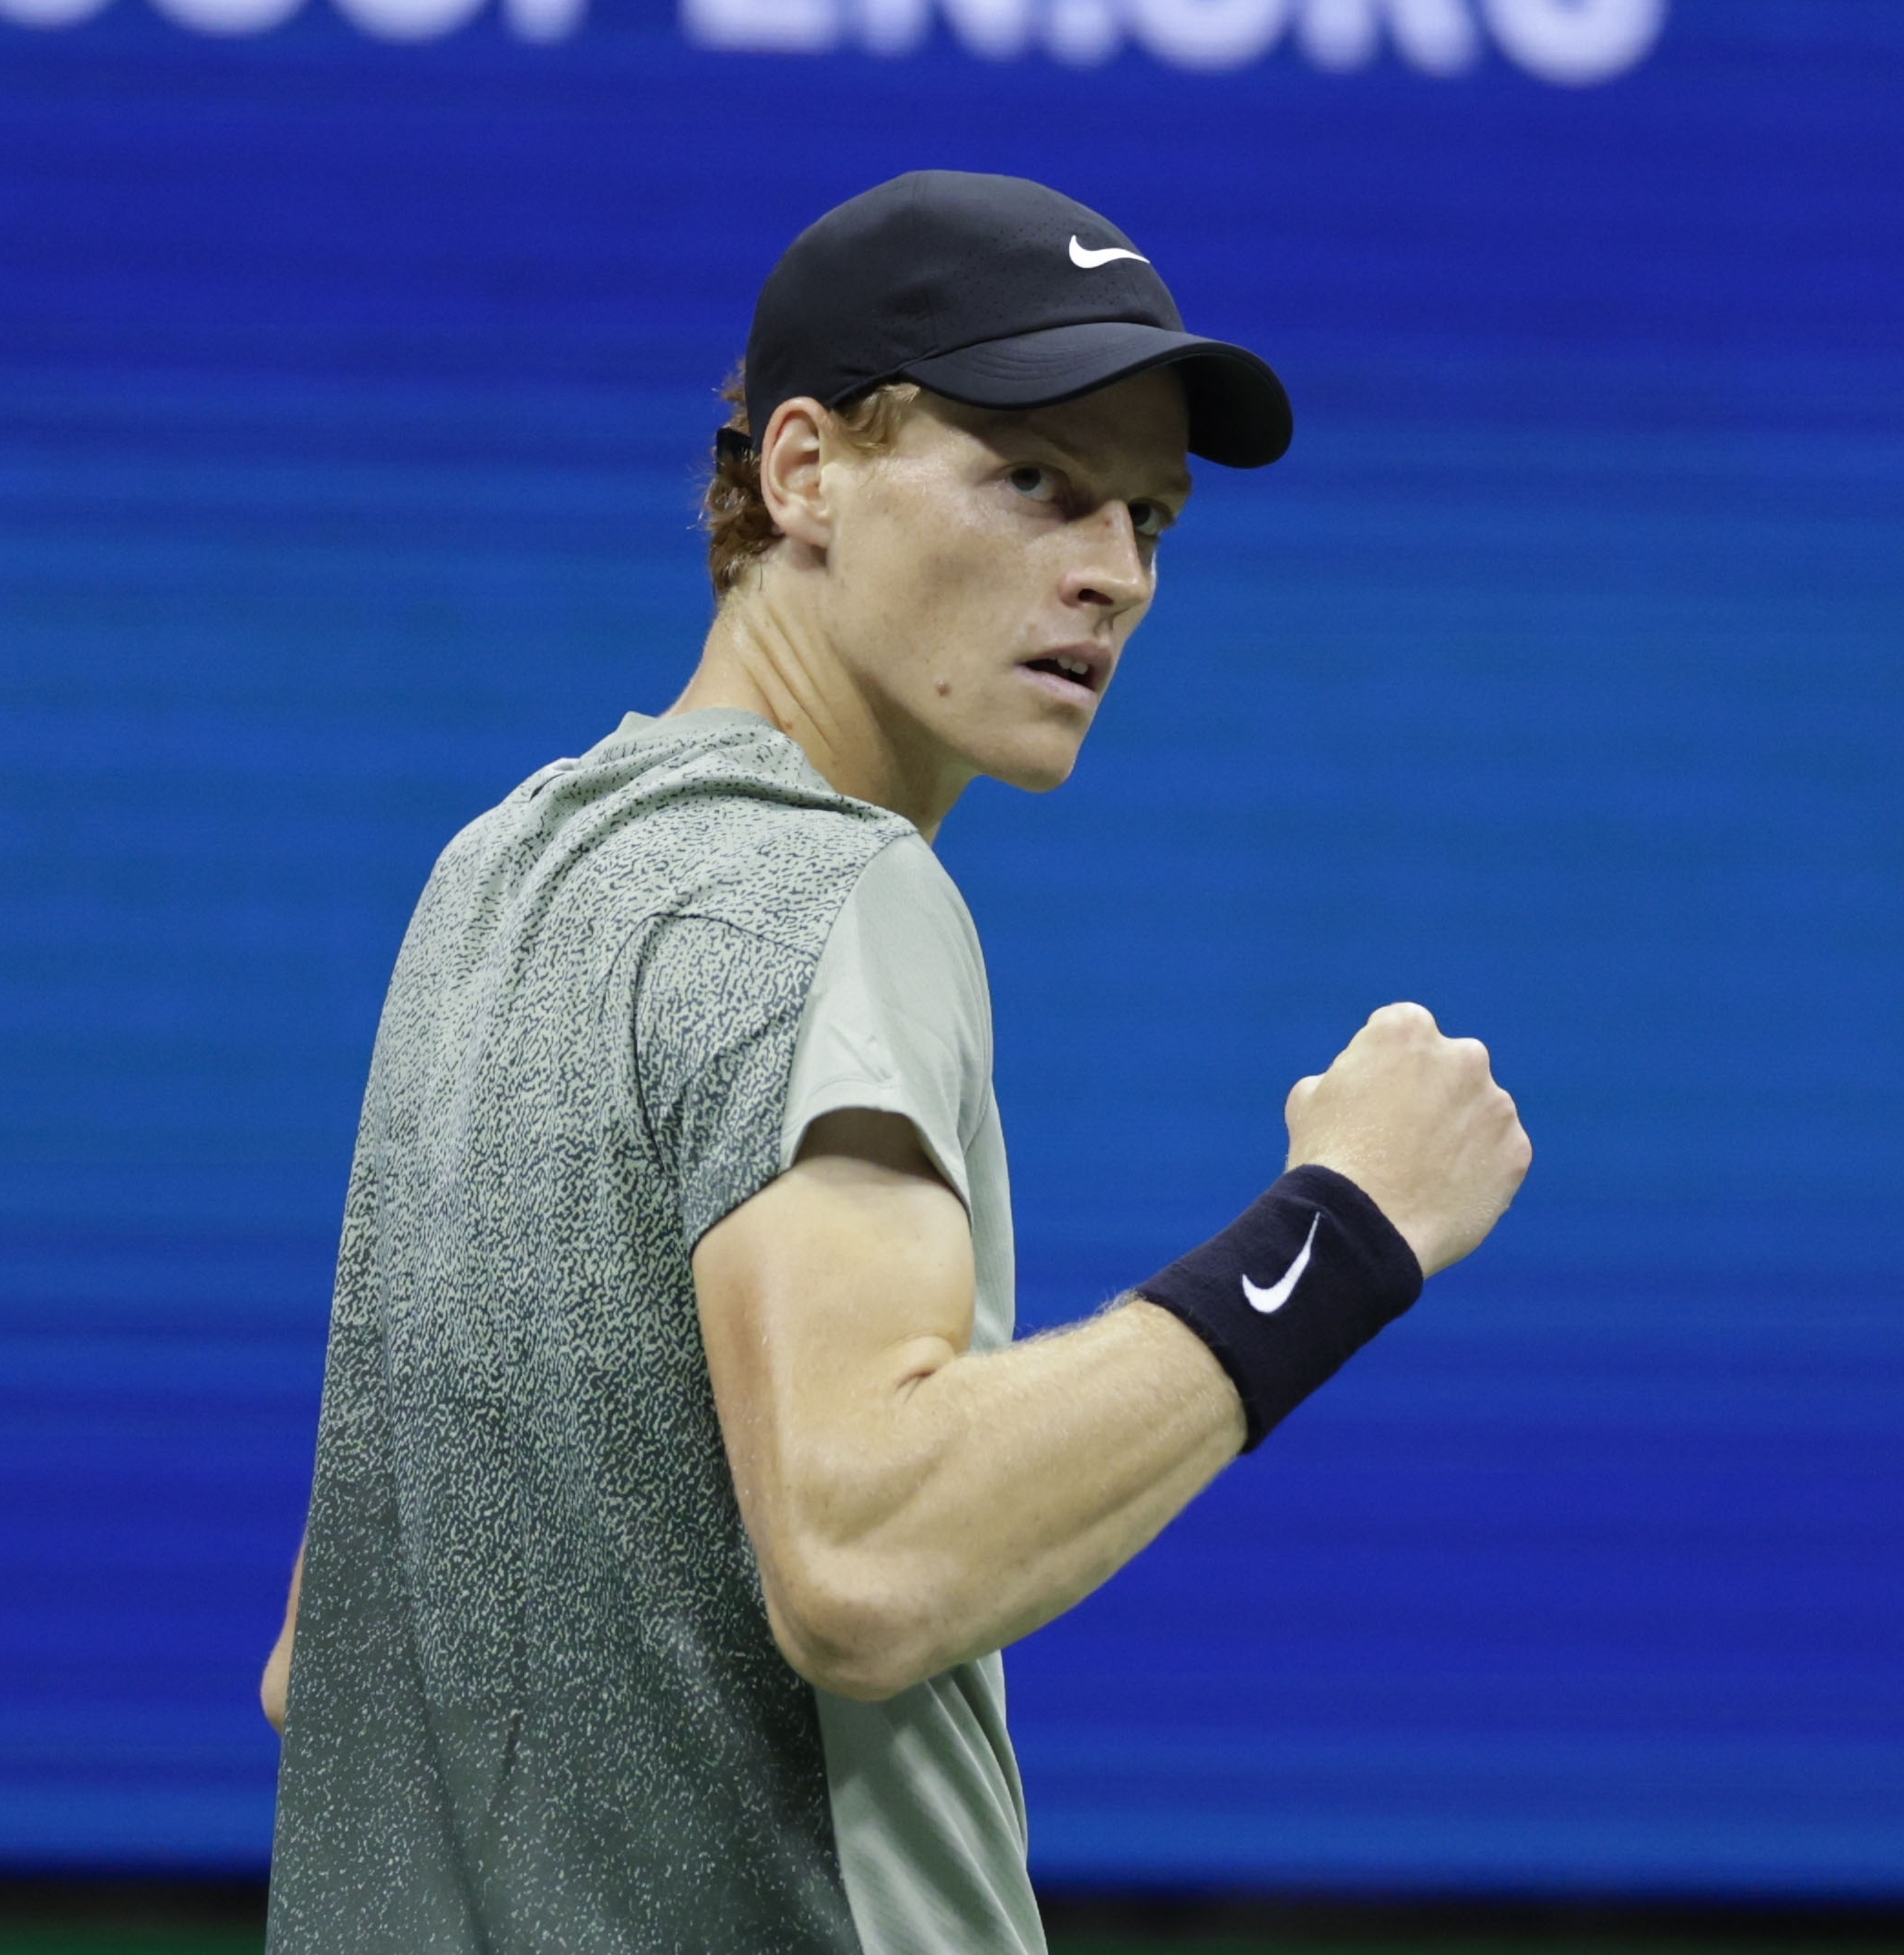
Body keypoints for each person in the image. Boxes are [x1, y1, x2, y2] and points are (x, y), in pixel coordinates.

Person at [260, 171, 1530, 1955]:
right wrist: (1343, 1231)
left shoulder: (496, 875)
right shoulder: (833, 890)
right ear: (799, 477)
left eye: (1148, 519)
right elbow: (866, 1559)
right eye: (1032, 480)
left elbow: (328, 1649)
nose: (1110, 573)